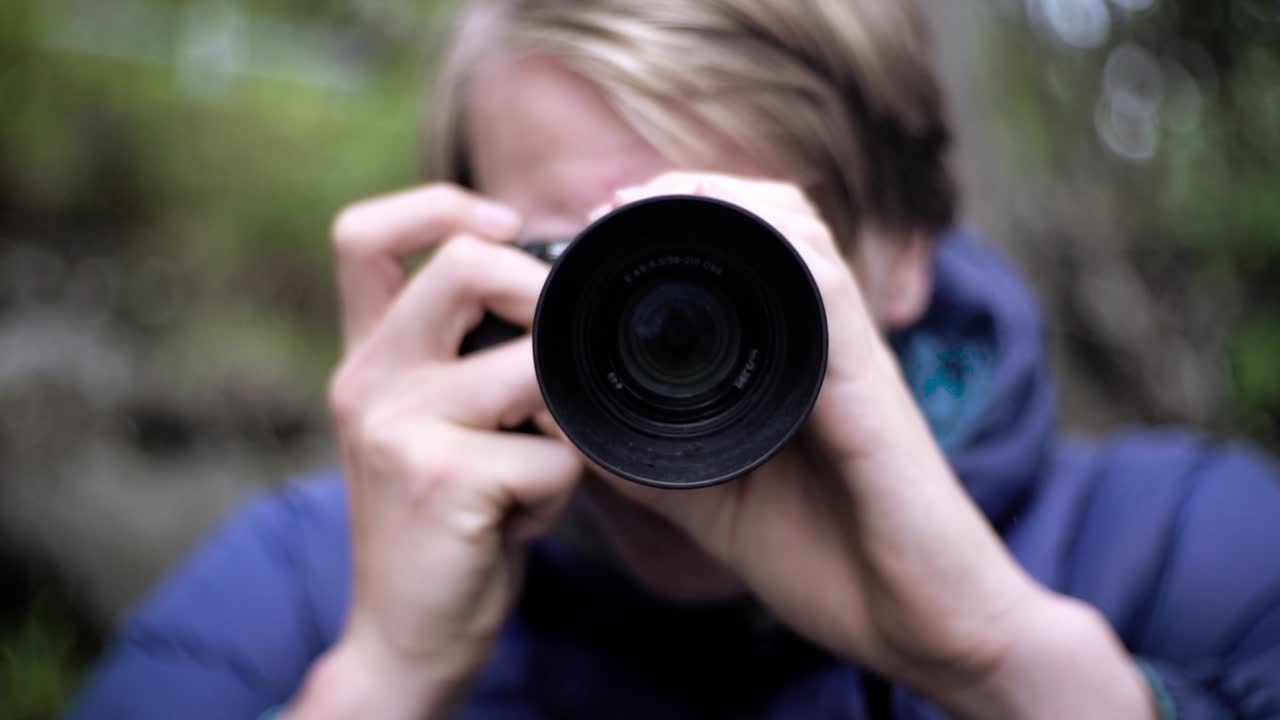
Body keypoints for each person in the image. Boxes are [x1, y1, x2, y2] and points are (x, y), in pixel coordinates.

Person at [70, 1, 1280, 718]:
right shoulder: (308, 586)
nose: (648, 328)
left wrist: (1005, 663)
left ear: (902, 251)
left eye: (729, 252)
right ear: (471, 253)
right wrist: (385, 673)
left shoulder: (1187, 544)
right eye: (574, 256)